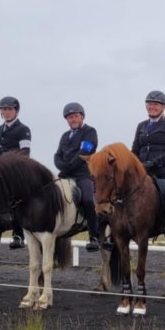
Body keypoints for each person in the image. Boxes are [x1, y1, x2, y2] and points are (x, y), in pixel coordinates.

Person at [131, 90, 165, 255]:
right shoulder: (141, 126)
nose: (152, 107)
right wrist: (133, 163)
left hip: (163, 169)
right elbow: (135, 149)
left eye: (156, 104)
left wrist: (155, 162)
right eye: (150, 104)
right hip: (142, 170)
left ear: (163, 107)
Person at [0, 96, 32, 249]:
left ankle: (18, 234)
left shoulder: (23, 129)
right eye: (4, 109)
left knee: (15, 197)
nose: (6, 112)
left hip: (12, 170)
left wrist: (5, 166)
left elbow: (25, 153)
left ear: (16, 111)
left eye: (9, 109)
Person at [53, 102, 100, 252]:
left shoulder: (90, 132)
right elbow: (57, 155)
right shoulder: (64, 136)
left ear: (82, 117)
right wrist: (61, 166)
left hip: (83, 175)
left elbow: (83, 153)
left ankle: (94, 236)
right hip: (65, 175)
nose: (73, 119)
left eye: (75, 116)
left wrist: (67, 168)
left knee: (87, 199)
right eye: (70, 117)